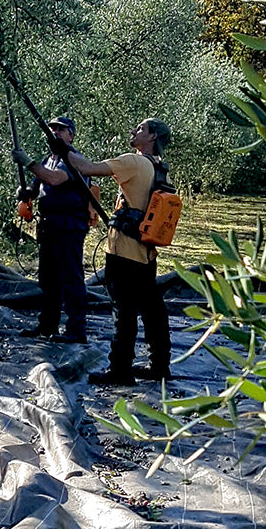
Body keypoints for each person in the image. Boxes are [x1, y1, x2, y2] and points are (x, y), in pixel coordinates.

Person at [62, 118, 172, 387]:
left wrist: (63, 149)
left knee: (123, 311)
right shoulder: (161, 170)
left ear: (152, 136)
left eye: (141, 129)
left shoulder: (133, 162)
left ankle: (120, 370)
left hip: (124, 252)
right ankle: (160, 366)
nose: (134, 131)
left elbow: (86, 168)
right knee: (152, 309)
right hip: (146, 253)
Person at [13, 115, 90, 345]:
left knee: (71, 279)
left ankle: (77, 330)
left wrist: (28, 163)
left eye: (61, 129)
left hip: (69, 225)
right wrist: (25, 192)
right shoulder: (48, 160)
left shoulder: (74, 160)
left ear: (71, 135)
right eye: (52, 128)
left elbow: (55, 180)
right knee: (48, 280)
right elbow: (37, 188)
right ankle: (48, 325)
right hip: (48, 226)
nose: (55, 132)